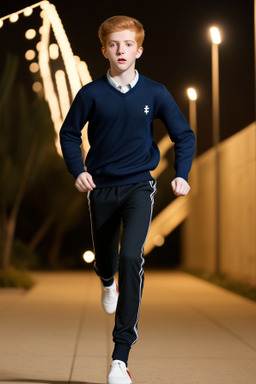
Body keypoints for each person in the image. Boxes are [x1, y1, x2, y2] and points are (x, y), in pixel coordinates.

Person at [59, 15, 195, 384]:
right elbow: (69, 134)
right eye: (114, 44)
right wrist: (78, 171)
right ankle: (107, 281)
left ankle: (120, 358)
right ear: (104, 49)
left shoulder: (155, 92)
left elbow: (184, 135)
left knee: (131, 256)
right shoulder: (90, 94)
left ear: (139, 49)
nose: (121, 50)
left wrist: (181, 174)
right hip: (100, 188)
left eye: (128, 44)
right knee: (107, 259)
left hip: (139, 185)